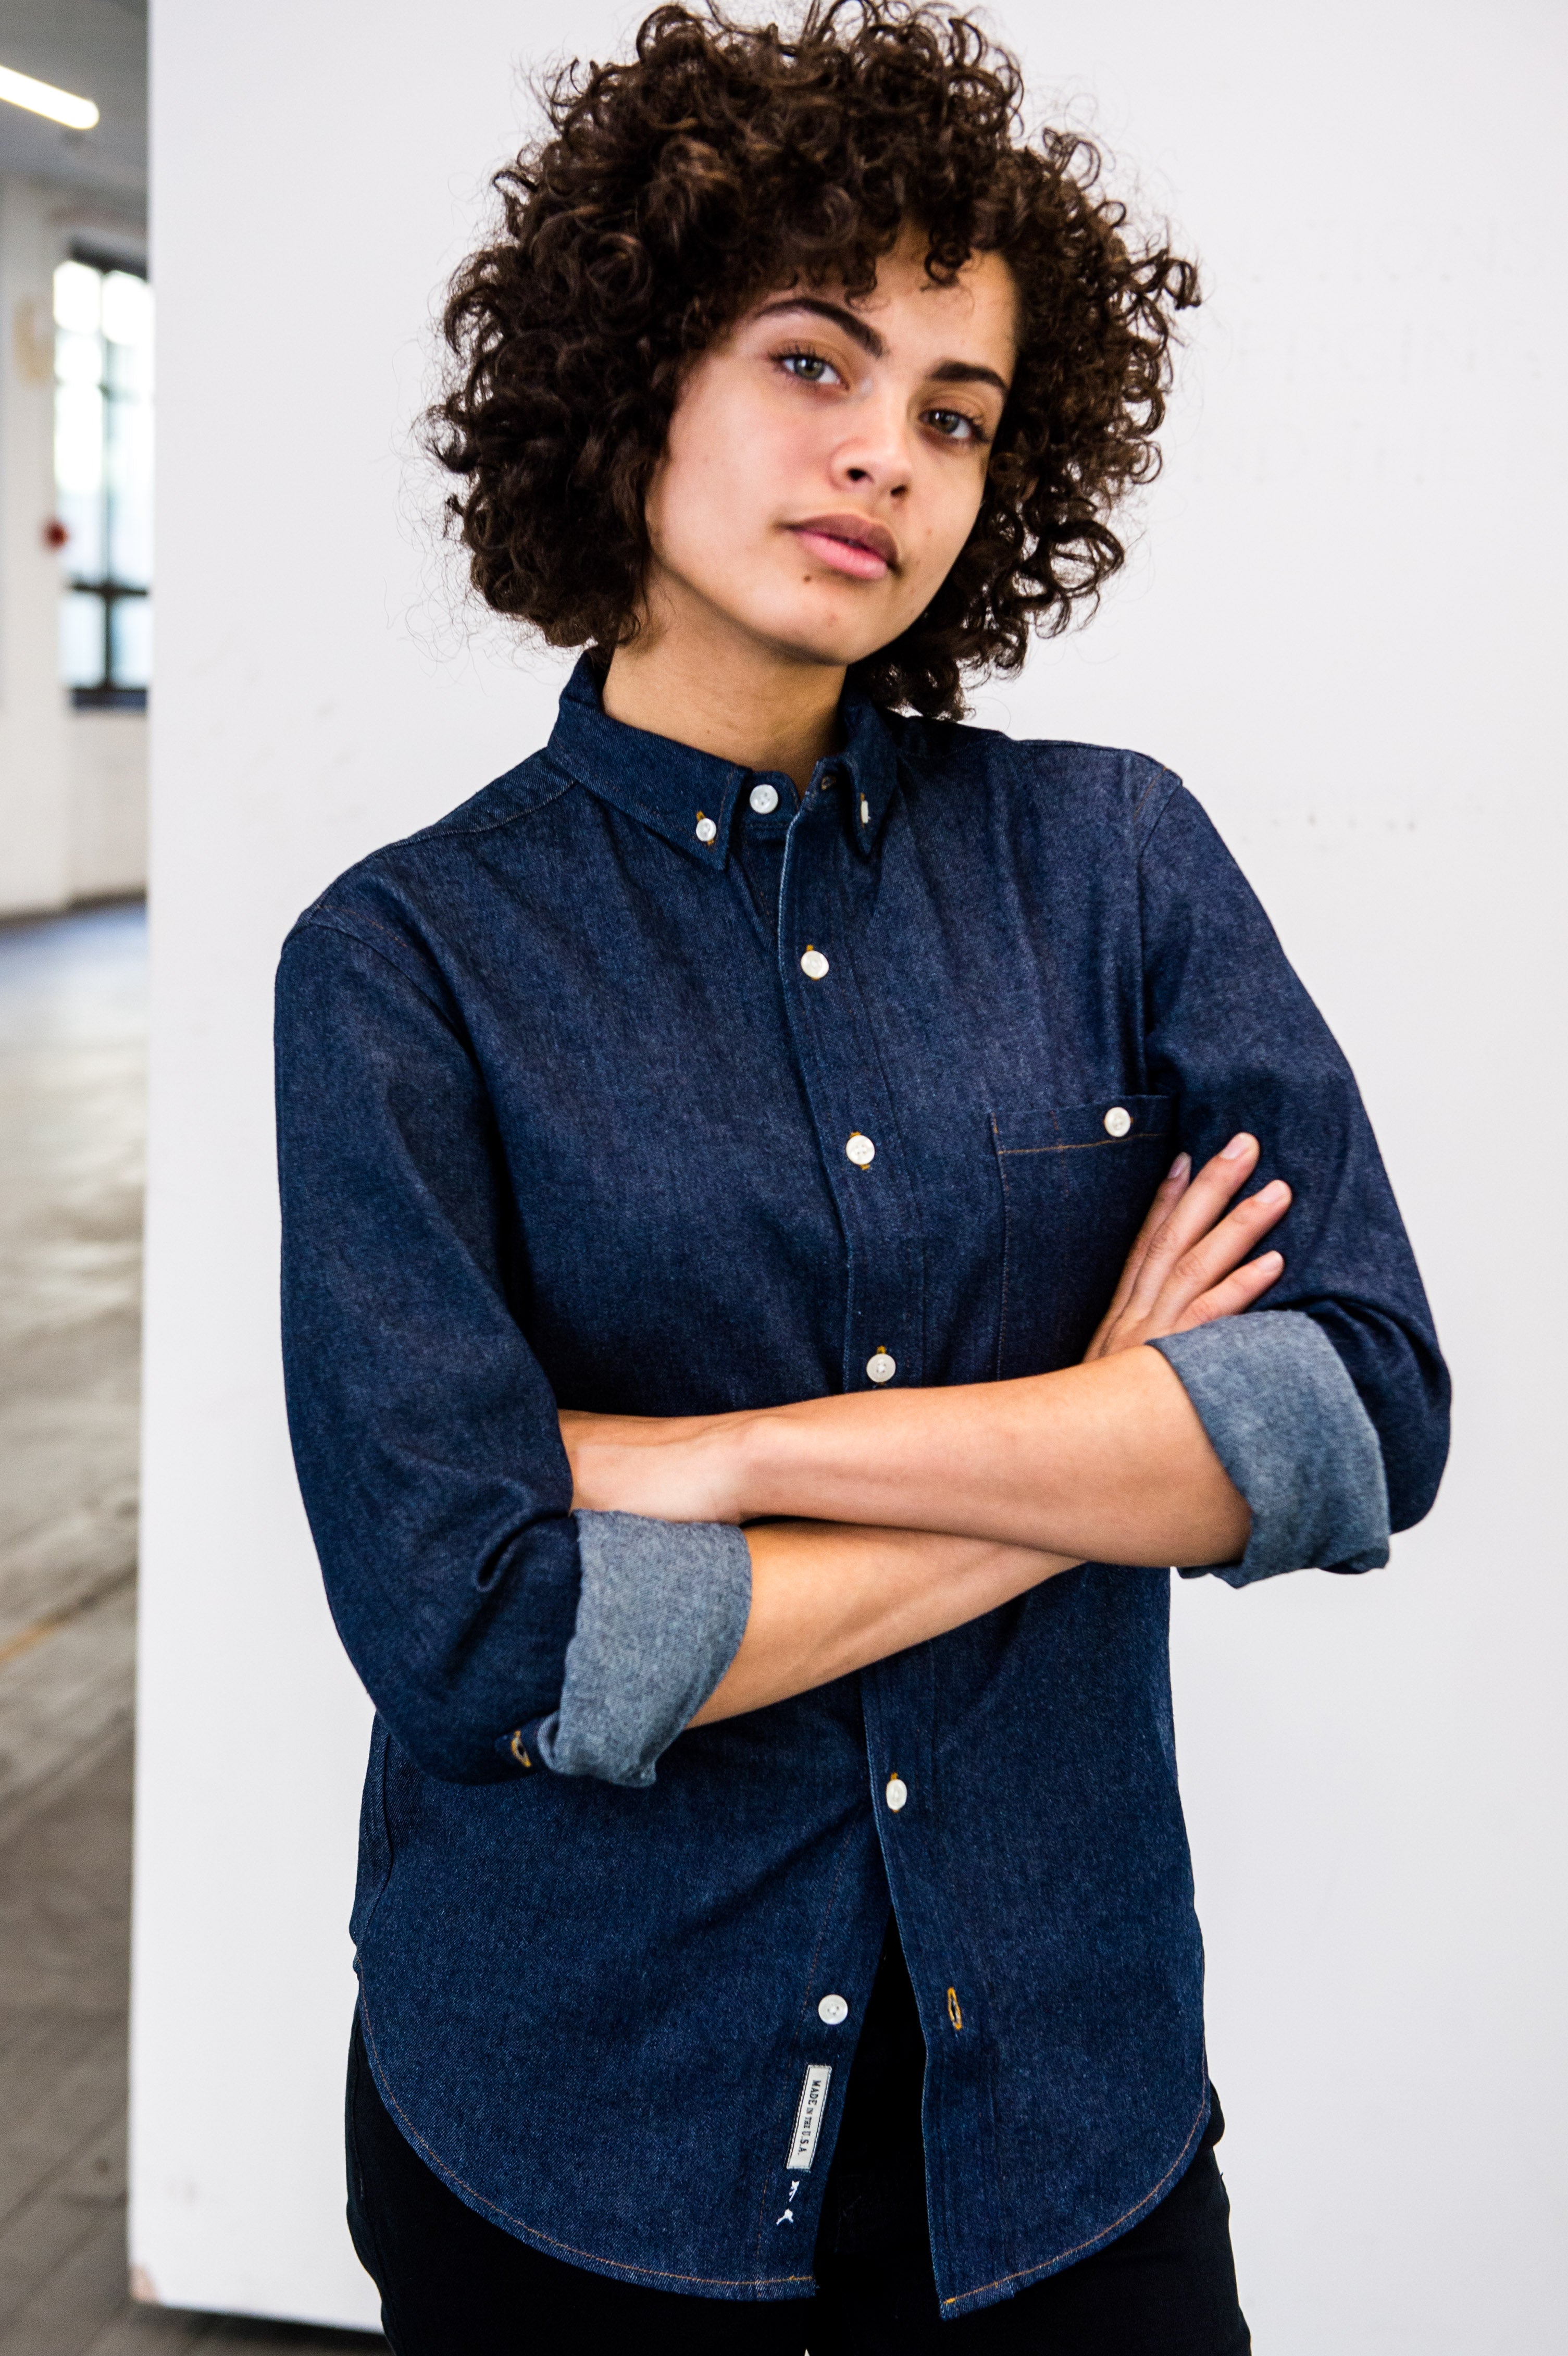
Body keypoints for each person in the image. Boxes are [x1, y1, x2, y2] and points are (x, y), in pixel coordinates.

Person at [273, 6, 1449, 2349]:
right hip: (569, 2142)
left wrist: (710, 1467)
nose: (885, 461)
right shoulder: (402, 961)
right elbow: (491, 1633)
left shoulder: (1112, 860)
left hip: (1068, 2130)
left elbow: (1357, 1419)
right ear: (632, 377)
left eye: (955, 414)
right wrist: (1089, 1442)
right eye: (815, 363)